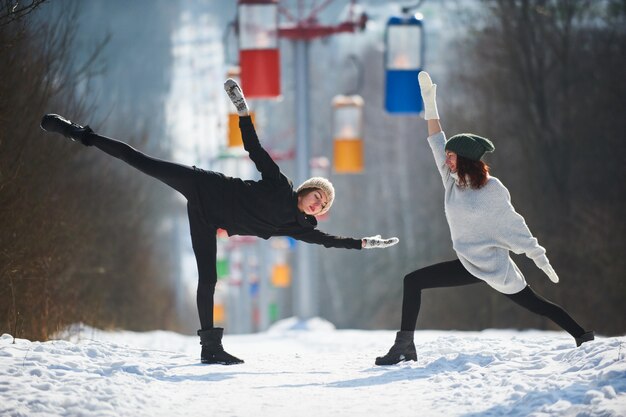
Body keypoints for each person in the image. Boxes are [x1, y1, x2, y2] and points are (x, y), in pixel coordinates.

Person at [40, 79, 399, 365]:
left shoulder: (295, 228)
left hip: (205, 218)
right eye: (317, 196)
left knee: (209, 278)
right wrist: (242, 111)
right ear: (306, 190)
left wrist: (365, 243)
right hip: (204, 185)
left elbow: (329, 241)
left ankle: (210, 348)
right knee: (140, 161)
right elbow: (255, 151)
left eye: (322, 205)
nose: (317, 203)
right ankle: (77, 133)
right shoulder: (281, 184)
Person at [374, 72, 594, 366]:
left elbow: (514, 224)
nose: (446, 160)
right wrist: (430, 103)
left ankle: (582, 336)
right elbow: (435, 139)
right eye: (447, 156)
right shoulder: (451, 180)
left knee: (538, 306)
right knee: (412, 281)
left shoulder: (492, 189)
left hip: (494, 268)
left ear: (464, 159)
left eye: (452, 156)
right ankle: (404, 348)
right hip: (467, 263)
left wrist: (537, 255)